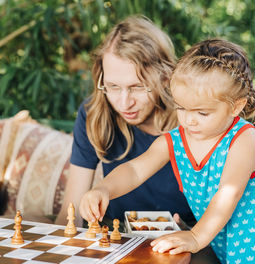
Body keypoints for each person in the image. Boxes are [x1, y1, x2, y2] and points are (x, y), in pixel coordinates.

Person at [79, 38, 255, 263]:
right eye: (181, 108)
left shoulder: (244, 138)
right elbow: (135, 170)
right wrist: (104, 189)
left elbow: (228, 193)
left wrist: (195, 236)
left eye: (202, 113)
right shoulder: (175, 140)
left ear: (236, 106)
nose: (189, 121)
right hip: (221, 248)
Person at [55, 15, 195, 229]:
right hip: (116, 232)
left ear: (165, 77)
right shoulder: (94, 114)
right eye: (113, 86)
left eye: (137, 87)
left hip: (189, 234)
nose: (124, 103)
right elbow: (69, 212)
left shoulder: (194, 118)